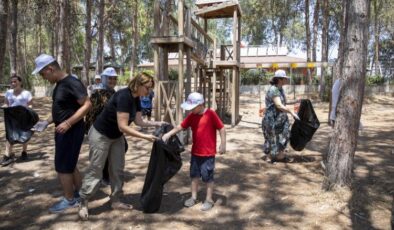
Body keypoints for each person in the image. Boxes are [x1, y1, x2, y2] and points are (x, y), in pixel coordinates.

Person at [78, 72, 165, 220]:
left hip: (116, 137)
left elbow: (139, 122)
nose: (149, 92)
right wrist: (146, 137)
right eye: (147, 88)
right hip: (101, 135)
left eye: (150, 89)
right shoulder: (124, 96)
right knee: (96, 168)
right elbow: (123, 127)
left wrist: (157, 123)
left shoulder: (136, 97)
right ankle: (83, 201)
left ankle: (116, 200)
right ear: (138, 85)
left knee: (117, 169)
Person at [31, 54, 92, 213]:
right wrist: (46, 122)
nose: (43, 77)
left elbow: (87, 104)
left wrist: (68, 123)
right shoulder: (60, 85)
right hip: (64, 129)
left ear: (50, 69)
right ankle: (80, 193)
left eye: (43, 74)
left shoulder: (72, 82)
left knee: (63, 166)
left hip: (71, 131)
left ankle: (70, 200)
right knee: (69, 164)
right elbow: (63, 109)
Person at [162, 92, 226, 211]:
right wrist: (168, 134)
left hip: (208, 154)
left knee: (208, 177)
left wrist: (223, 144)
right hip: (195, 153)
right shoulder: (192, 116)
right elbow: (181, 126)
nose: (190, 110)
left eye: (192, 107)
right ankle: (194, 197)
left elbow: (221, 128)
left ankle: (209, 199)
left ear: (200, 105)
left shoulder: (211, 114)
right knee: (194, 175)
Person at [84, 67, 119, 185]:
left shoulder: (114, 93)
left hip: (111, 129)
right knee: (98, 156)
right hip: (98, 130)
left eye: (114, 78)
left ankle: (106, 175)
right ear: (104, 79)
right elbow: (90, 113)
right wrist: (89, 129)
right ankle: (98, 178)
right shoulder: (97, 93)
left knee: (112, 152)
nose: (112, 81)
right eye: (110, 78)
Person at [261, 69, 299, 163]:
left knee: (285, 135)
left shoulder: (280, 89)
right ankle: (269, 157)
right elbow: (278, 105)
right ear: (280, 79)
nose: (286, 80)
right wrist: (291, 112)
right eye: (285, 78)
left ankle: (280, 156)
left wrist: (296, 101)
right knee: (271, 137)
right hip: (272, 119)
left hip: (280, 118)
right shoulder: (273, 89)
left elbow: (282, 102)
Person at [1, 75, 33, 166]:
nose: (13, 83)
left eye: (15, 81)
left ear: (20, 82)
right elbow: (6, 104)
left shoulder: (27, 93)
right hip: (11, 117)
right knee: (9, 135)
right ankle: (7, 155)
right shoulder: (8, 92)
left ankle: (24, 153)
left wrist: (29, 113)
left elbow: (30, 105)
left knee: (24, 134)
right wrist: (3, 107)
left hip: (23, 116)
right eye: (11, 82)